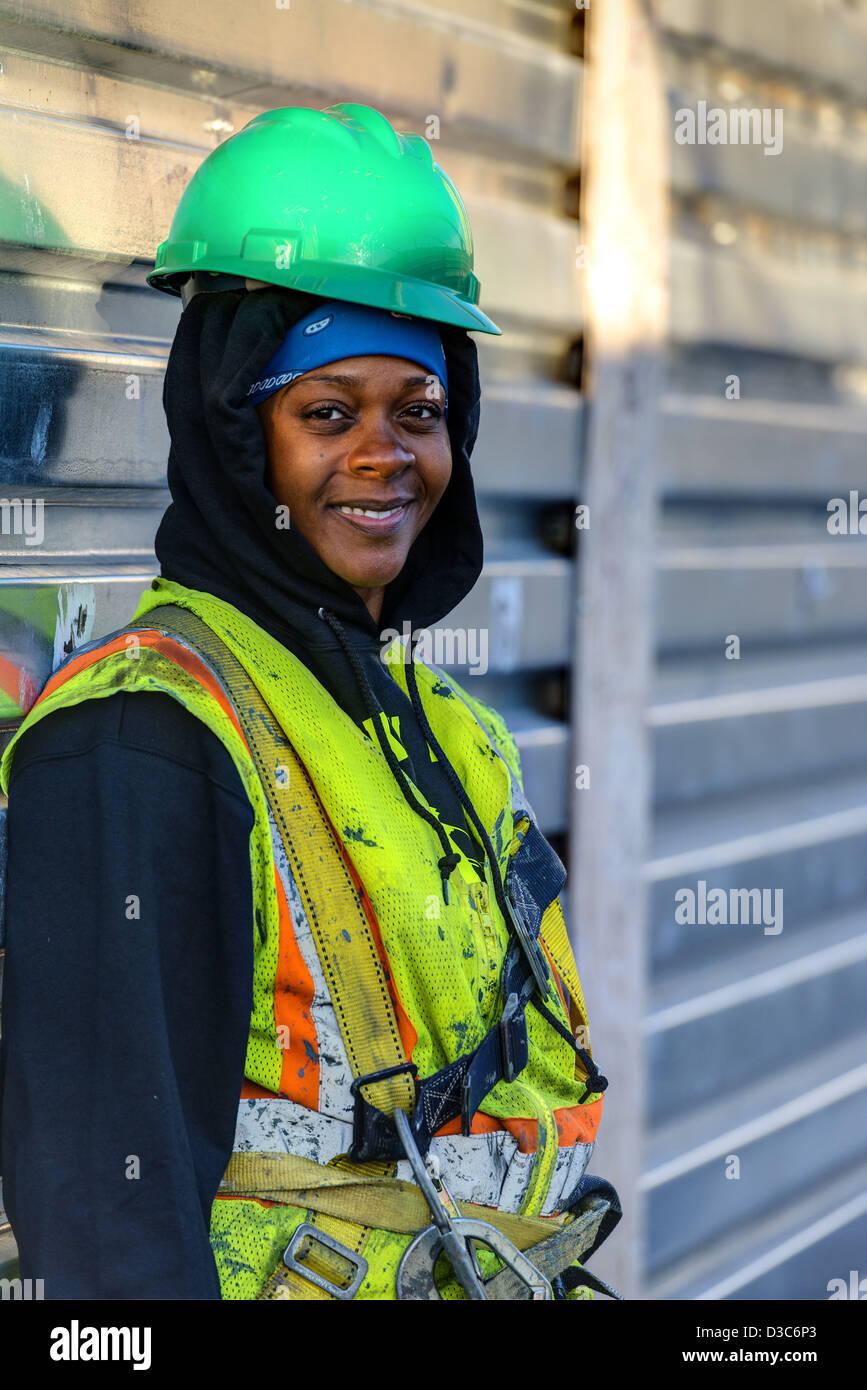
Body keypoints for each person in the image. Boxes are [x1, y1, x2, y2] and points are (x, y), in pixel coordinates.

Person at [0, 103, 619, 1300]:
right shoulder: (138, 742)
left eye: (421, 411)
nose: (386, 454)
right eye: (327, 413)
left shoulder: (453, 735)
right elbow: (106, 1236)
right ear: (237, 435)